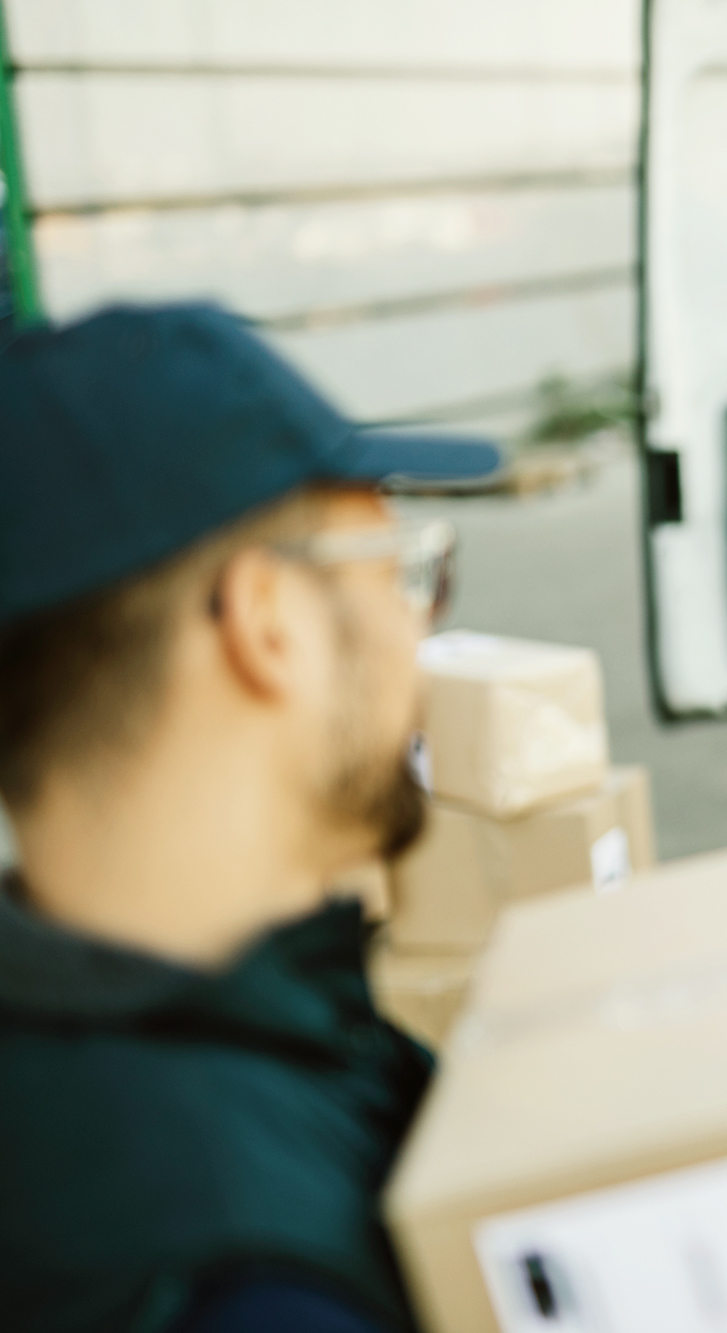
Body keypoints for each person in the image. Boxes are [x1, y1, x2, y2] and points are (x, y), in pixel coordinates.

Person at [0, 303, 499, 1332]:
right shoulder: (248, 1281)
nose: (417, 631)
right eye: (399, 574)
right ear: (268, 622)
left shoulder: (96, 1075)